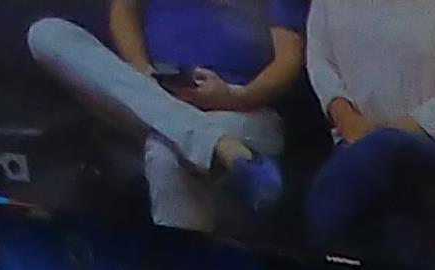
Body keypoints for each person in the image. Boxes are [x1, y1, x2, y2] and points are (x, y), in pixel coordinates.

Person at [25, 0, 301, 233]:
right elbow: (123, 8)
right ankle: (219, 144)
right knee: (46, 33)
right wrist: (140, 69)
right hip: (152, 95)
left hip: (240, 108)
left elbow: (288, 61)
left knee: (166, 152)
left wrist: (233, 96)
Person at [301, 0, 435, 270]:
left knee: (383, 150)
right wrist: (351, 124)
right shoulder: (327, 5)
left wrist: (382, 138)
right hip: (361, 174)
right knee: (396, 235)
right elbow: (322, 70)